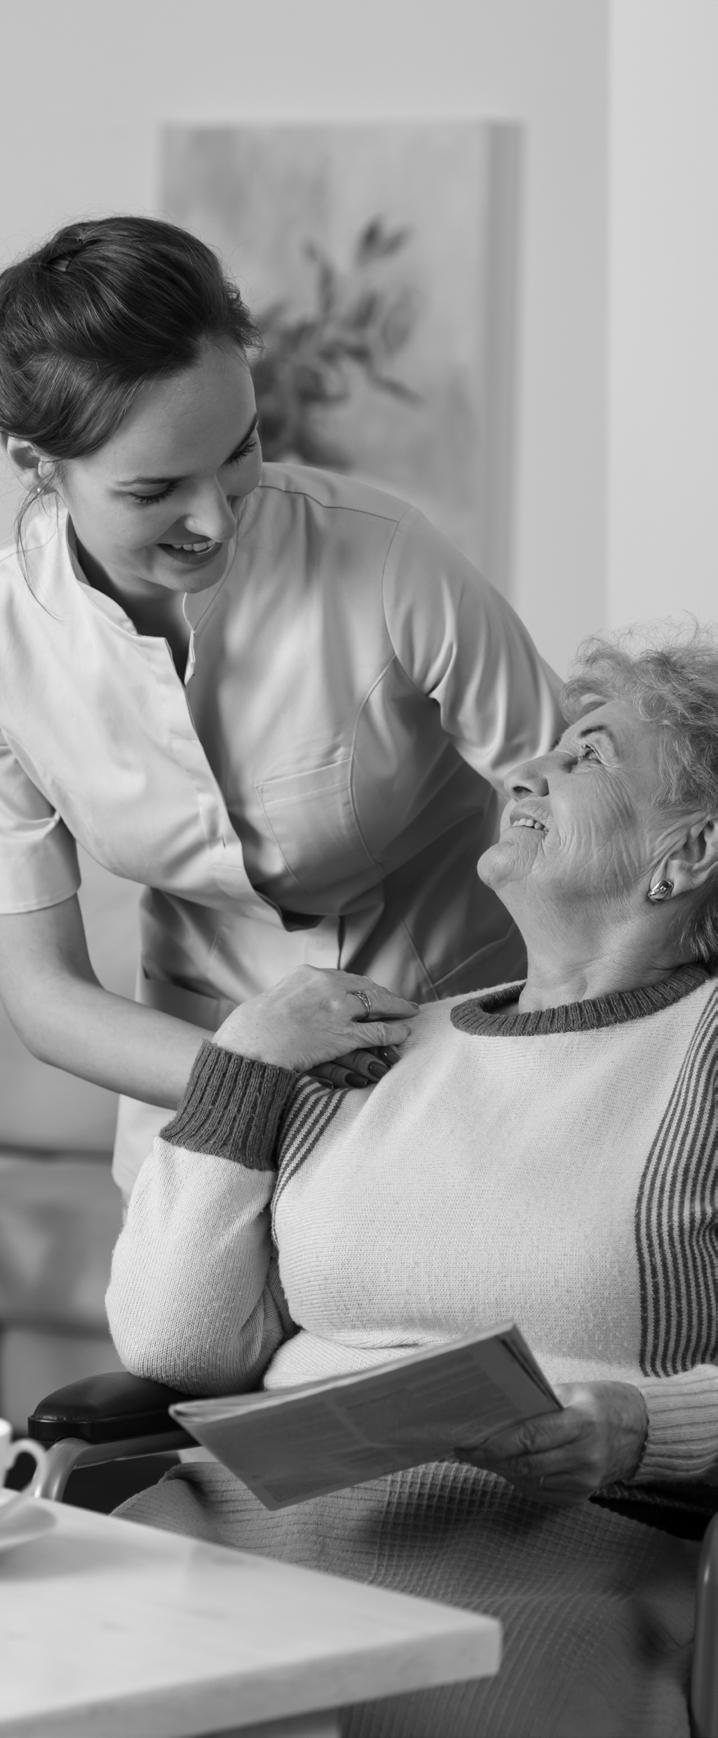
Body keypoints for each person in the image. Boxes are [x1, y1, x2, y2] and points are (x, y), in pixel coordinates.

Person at [106, 629, 718, 1738]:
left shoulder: (702, 1051)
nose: (524, 770)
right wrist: (243, 1064)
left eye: (587, 756)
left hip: (546, 1562)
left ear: (689, 852)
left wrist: (639, 1427)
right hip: (237, 1528)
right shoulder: (373, 1039)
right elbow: (177, 1347)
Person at [0, 214, 561, 1197]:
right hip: (196, 1075)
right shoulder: (12, 647)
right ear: (37, 462)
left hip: (454, 1051)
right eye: (155, 489)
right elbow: (45, 996)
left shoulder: (384, 558)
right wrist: (254, 1067)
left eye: (240, 449)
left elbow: (587, 820)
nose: (215, 517)